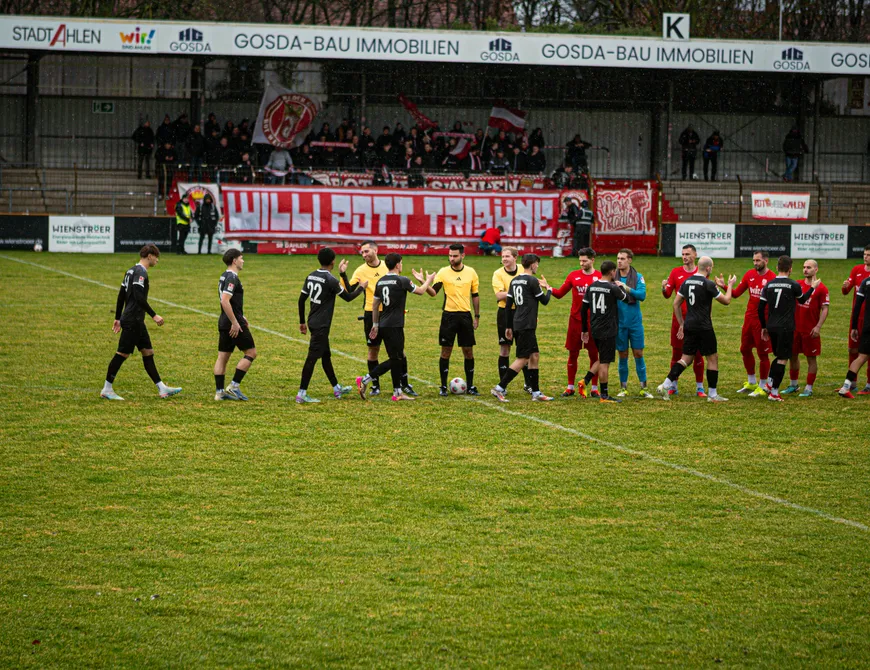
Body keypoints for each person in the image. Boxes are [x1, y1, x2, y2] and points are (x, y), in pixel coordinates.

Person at [101, 244, 181, 401]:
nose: (157, 260)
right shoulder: (140, 272)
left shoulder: (131, 270)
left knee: (148, 352)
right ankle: (107, 389)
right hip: (133, 320)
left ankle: (162, 388)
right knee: (122, 353)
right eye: (156, 257)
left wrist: (117, 317)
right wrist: (154, 315)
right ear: (150, 256)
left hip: (135, 320)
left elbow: (121, 295)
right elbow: (138, 296)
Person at [356, 254, 436, 401]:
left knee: (396, 357)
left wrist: (375, 325)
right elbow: (420, 291)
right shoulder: (402, 280)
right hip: (395, 325)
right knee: (396, 359)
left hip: (384, 324)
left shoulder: (380, 282)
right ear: (398, 264)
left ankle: (397, 392)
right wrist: (428, 280)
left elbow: (375, 305)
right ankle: (366, 379)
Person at [656, 257, 736, 402]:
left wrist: (681, 323)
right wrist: (729, 285)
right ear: (709, 268)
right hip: (704, 326)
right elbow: (727, 300)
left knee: (685, 358)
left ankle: (665, 384)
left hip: (690, 325)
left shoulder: (687, 282)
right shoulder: (708, 284)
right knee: (712, 358)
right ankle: (712, 394)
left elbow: (675, 304)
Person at [342, 241, 414, 397]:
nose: (364, 255)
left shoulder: (388, 267)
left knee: (399, 352)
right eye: (362, 253)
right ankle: (375, 386)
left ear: (376, 250)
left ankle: (404, 384)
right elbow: (349, 290)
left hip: (389, 314)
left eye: (367, 251)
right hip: (371, 314)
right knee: (373, 351)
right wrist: (343, 274)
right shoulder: (360, 270)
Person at [296, 248, 366, 404]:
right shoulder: (331, 280)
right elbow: (348, 297)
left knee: (326, 356)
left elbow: (301, 300)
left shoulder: (311, 276)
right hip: (321, 325)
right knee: (312, 358)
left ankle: (336, 387)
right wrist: (362, 287)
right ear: (333, 261)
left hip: (312, 321)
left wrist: (302, 322)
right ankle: (301, 393)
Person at [419, 244, 481, 397]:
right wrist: (424, 283)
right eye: (450, 256)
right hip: (449, 316)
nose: (451, 259)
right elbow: (434, 293)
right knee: (446, 351)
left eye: (455, 256)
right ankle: (443, 387)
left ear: (462, 256)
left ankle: (471, 385)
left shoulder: (471, 272)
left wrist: (477, 316)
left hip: (466, 316)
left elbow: (475, 295)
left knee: (468, 351)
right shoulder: (443, 272)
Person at [491, 254, 553, 402]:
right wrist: (548, 288)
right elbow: (544, 301)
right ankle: (500, 387)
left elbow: (508, 305)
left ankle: (536, 392)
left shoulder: (515, 280)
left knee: (534, 355)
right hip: (527, 324)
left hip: (519, 322)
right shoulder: (532, 280)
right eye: (537, 264)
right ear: (532, 265)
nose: (537, 267)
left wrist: (508, 326)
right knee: (523, 358)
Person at [757, 255, 819, 402]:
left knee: (778, 356)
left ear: (777, 268)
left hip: (771, 325)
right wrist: (813, 288)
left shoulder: (769, 285)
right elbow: (803, 300)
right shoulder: (793, 285)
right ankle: (774, 392)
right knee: (783, 358)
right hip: (786, 327)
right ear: (790, 269)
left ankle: (769, 384)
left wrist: (764, 326)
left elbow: (760, 308)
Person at [552, 248, 601, 398]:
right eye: (580, 261)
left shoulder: (600, 277)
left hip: (594, 322)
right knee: (573, 353)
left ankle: (594, 388)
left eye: (585, 261)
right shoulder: (573, 276)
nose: (581, 263)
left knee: (594, 354)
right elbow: (560, 294)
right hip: (575, 321)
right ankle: (570, 387)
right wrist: (549, 288)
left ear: (592, 260)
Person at [579, 260, 629, 403]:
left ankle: (586, 380)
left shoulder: (592, 286)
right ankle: (605, 395)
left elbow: (583, 310)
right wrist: (622, 287)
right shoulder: (613, 288)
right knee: (605, 362)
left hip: (595, 328)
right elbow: (627, 299)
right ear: (612, 272)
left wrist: (584, 329)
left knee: (602, 357)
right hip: (608, 329)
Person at [662, 244, 706, 396]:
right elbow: (668, 294)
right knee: (677, 353)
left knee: (698, 354)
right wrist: (663, 288)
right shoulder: (676, 272)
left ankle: (700, 387)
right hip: (678, 320)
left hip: (696, 320)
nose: (685, 257)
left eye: (688, 254)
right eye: (683, 254)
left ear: (695, 255)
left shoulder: (701, 273)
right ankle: (673, 384)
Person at [213, 249, 257, 401]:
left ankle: (219, 392)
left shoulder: (224, 275)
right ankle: (233, 386)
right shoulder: (232, 277)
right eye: (241, 258)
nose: (243, 261)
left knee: (223, 357)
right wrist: (235, 322)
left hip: (224, 321)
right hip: (233, 323)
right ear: (234, 260)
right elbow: (224, 300)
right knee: (251, 353)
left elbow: (229, 301)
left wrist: (240, 315)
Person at [733, 251, 777, 396]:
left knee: (762, 353)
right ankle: (752, 382)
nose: (755, 263)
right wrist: (724, 286)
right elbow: (736, 294)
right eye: (754, 260)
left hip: (763, 321)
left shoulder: (772, 278)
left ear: (766, 260)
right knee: (744, 349)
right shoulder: (749, 275)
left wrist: (770, 324)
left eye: (758, 260)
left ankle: (763, 385)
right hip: (749, 319)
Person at [782, 259, 829, 397]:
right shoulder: (797, 284)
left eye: (809, 267)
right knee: (792, 356)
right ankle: (793, 384)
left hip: (810, 330)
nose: (805, 270)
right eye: (804, 267)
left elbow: (825, 309)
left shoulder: (822, 288)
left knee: (811, 359)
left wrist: (818, 326)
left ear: (816, 270)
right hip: (795, 328)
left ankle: (808, 387)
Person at [492, 247, 532, 391]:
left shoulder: (523, 269)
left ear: (515, 257)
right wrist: (519, 289)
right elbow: (499, 295)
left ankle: (528, 384)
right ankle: (503, 385)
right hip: (505, 312)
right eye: (502, 256)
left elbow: (532, 287)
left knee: (524, 350)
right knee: (504, 349)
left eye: (507, 256)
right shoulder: (497, 273)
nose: (504, 259)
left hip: (523, 312)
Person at [614, 249, 651, 398]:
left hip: (635, 323)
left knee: (638, 353)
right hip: (619, 323)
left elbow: (642, 295)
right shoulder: (612, 277)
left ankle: (644, 387)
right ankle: (623, 388)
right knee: (622, 354)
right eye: (618, 258)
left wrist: (626, 288)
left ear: (630, 260)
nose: (619, 261)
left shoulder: (638, 277)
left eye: (622, 258)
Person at [841, 244, 870, 394]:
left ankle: (868, 384)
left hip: (868, 318)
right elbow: (846, 291)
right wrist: (845, 286)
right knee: (853, 349)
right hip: (857, 318)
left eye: (868, 255)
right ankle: (852, 383)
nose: (866, 257)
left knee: (867, 352)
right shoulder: (857, 270)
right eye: (865, 254)